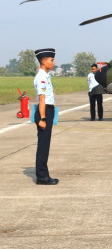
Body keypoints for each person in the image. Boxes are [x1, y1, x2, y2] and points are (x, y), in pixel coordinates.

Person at [33, 48, 58, 185]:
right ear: (44, 61)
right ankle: (42, 176)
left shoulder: (46, 75)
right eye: (51, 60)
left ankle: (45, 174)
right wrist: (42, 118)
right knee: (43, 145)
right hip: (44, 112)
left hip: (48, 110)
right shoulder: (41, 77)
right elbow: (42, 99)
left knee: (45, 145)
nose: (53, 62)